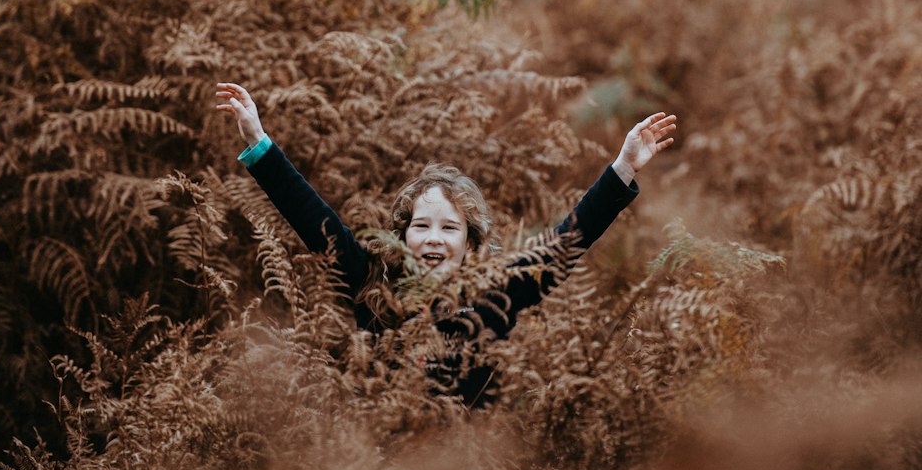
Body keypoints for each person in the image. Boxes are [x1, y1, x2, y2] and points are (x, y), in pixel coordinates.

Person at [216, 82, 675, 405]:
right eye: (421, 226)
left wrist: (622, 169)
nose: (433, 239)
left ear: (472, 245)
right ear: (402, 236)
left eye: (450, 228)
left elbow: (564, 243)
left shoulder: (499, 293)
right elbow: (314, 220)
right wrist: (258, 143)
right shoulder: (373, 287)